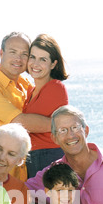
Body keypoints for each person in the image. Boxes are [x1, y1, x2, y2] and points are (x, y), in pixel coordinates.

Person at [0, 32, 51, 181]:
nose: (18, 59)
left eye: (24, 54)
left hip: (24, 170)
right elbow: (20, 123)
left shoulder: (25, 84)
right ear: (2, 53)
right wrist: (60, 125)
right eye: (13, 52)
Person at [24, 34, 69, 178]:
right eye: (32, 57)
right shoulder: (30, 91)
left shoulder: (55, 88)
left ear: (53, 64)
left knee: (51, 201)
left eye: (43, 59)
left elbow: (23, 124)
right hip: (32, 158)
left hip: (49, 157)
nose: (35, 64)